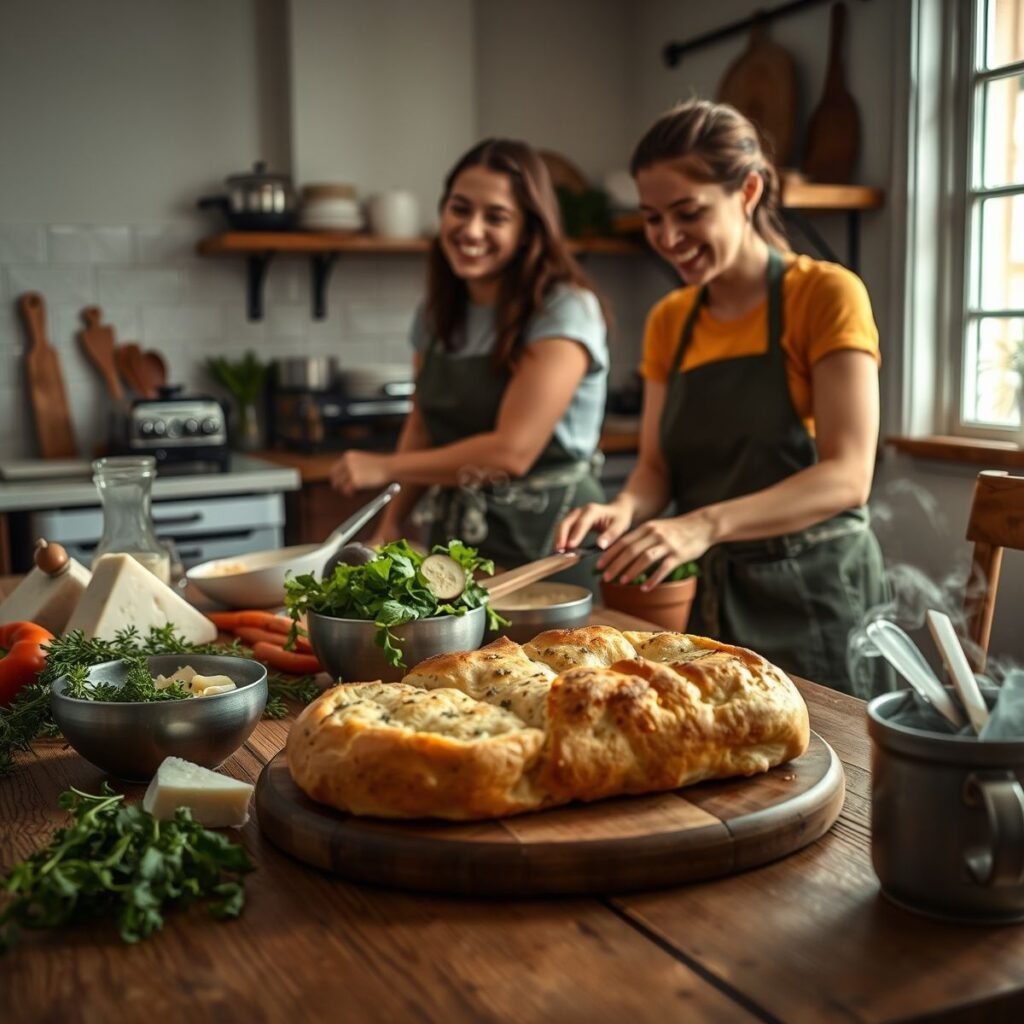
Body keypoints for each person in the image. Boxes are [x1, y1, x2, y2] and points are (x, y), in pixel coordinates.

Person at [555, 100, 889, 694]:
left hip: (814, 598)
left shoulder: (826, 295)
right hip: (712, 601)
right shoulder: (670, 319)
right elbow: (656, 468)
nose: (667, 238)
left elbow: (848, 476)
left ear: (748, 191)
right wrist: (625, 508)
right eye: (653, 218)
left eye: (688, 212)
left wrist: (701, 525)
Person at [329, 138, 609, 584]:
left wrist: (383, 466)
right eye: (460, 209)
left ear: (527, 230)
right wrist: (390, 525)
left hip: (549, 545)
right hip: (458, 546)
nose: (471, 230)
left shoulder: (564, 309)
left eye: (495, 217)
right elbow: (422, 425)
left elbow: (511, 452)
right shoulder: (438, 312)